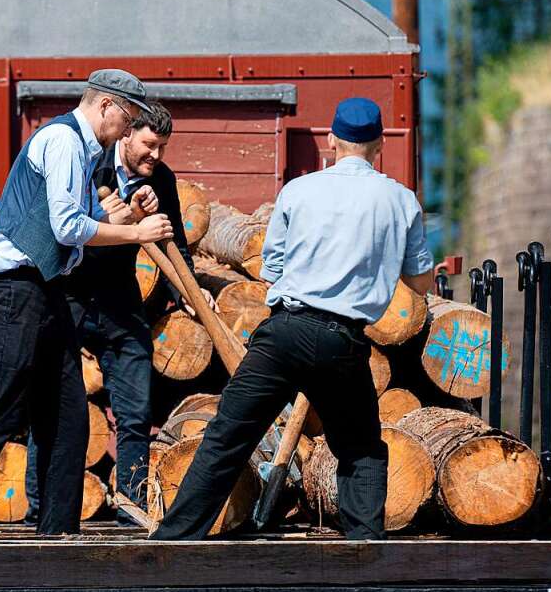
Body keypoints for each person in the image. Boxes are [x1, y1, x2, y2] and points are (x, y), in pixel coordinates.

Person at [150, 97, 434, 541]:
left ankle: (172, 544)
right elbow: (419, 282)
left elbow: (271, 268)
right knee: (361, 452)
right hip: (344, 341)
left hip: (284, 333)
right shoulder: (401, 201)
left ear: (331, 140)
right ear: (379, 144)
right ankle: (365, 555)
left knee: (227, 438)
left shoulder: (298, 191)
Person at [0, 69, 173, 535]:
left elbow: (84, 221)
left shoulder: (85, 149)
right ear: (107, 106)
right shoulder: (64, 142)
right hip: (14, 289)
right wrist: (136, 232)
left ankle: (57, 529)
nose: (128, 130)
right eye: (128, 118)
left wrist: (129, 211)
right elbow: (67, 228)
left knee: (68, 412)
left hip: (44, 289)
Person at [23, 101, 211, 523]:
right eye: (149, 145)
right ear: (126, 135)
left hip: (120, 303)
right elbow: (58, 228)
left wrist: (190, 292)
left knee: (135, 412)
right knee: (52, 404)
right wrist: (111, 214)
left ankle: (131, 506)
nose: (156, 155)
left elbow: (174, 244)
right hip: (68, 298)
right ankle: (38, 506)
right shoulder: (88, 166)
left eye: (162, 147)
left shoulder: (161, 179)